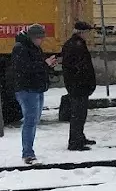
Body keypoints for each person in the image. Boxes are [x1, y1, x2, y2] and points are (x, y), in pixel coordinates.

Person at [8, 24, 55, 165]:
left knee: (33, 121)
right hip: (27, 89)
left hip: (35, 88)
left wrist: (46, 65)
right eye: (40, 38)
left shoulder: (31, 47)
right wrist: (44, 64)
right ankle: (28, 154)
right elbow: (25, 68)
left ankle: (29, 151)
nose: (42, 40)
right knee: (30, 122)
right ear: (34, 37)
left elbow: (33, 66)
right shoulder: (21, 48)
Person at [61, 20, 97, 151]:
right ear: (81, 32)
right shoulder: (75, 45)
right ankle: (75, 142)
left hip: (78, 85)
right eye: (87, 32)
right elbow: (79, 67)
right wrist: (85, 82)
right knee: (78, 114)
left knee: (80, 113)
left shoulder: (76, 43)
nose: (88, 34)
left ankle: (79, 137)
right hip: (78, 86)